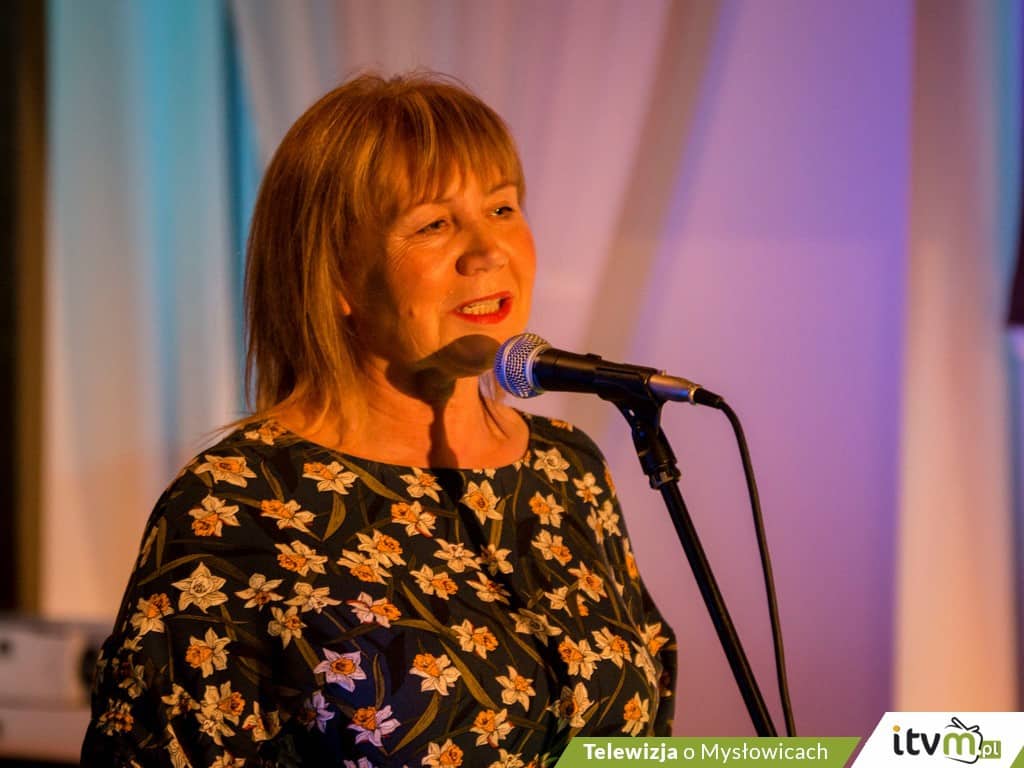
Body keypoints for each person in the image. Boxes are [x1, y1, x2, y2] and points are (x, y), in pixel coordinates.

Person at [81, 72, 676, 768]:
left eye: (503, 208)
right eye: (433, 224)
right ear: (335, 274)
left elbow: (637, 737)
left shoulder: (567, 467)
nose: (489, 251)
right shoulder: (235, 504)